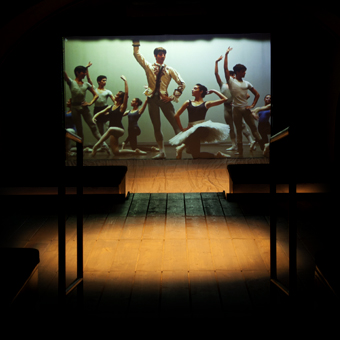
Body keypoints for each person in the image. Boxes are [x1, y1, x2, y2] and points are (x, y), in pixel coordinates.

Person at [133, 40, 185, 159]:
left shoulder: (169, 69)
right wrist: (136, 42)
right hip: (152, 99)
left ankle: (179, 148)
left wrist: (172, 97)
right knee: (156, 126)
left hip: (164, 99)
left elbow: (182, 83)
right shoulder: (149, 66)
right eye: (160, 54)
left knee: (175, 124)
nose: (162, 56)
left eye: (164, 54)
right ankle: (162, 152)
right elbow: (137, 55)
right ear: (155, 55)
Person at [169, 84, 230, 159]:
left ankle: (181, 147)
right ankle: (217, 155)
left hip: (201, 129)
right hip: (192, 131)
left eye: (195, 88)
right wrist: (182, 129)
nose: (192, 89)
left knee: (201, 129)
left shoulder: (206, 104)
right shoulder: (188, 102)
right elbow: (176, 115)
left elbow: (225, 99)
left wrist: (214, 91)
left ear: (201, 91)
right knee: (196, 155)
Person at [91, 76, 146, 157]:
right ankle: (135, 152)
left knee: (110, 129)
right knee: (116, 152)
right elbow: (100, 113)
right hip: (113, 131)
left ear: (120, 98)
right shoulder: (110, 107)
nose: (115, 96)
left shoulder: (122, 107)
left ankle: (96, 146)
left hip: (119, 130)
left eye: (117, 95)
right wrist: (94, 117)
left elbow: (126, 94)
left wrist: (125, 81)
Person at [223, 47, 265, 156]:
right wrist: (226, 54)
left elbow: (257, 94)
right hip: (236, 109)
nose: (245, 73)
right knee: (239, 129)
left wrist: (252, 105)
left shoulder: (247, 83)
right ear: (237, 72)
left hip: (245, 109)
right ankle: (240, 152)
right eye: (243, 71)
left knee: (253, 128)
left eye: (245, 71)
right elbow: (225, 69)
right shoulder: (231, 82)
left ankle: (263, 146)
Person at [215, 56, 256, 152]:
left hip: (235, 107)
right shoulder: (222, 85)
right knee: (230, 126)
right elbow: (216, 73)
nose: (230, 77)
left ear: (234, 75)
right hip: (226, 108)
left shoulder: (235, 84)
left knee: (242, 125)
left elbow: (248, 95)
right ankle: (234, 145)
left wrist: (238, 102)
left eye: (231, 75)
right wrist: (216, 62)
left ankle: (251, 142)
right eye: (229, 75)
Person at [64, 63, 107, 151]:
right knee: (79, 129)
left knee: (93, 126)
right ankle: (80, 149)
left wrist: (90, 103)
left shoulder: (86, 84)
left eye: (85, 72)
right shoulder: (71, 82)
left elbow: (96, 95)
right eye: (83, 72)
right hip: (75, 108)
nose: (85, 74)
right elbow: (65, 75)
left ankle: (104, 145)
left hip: (84, 108)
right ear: (77, 72)